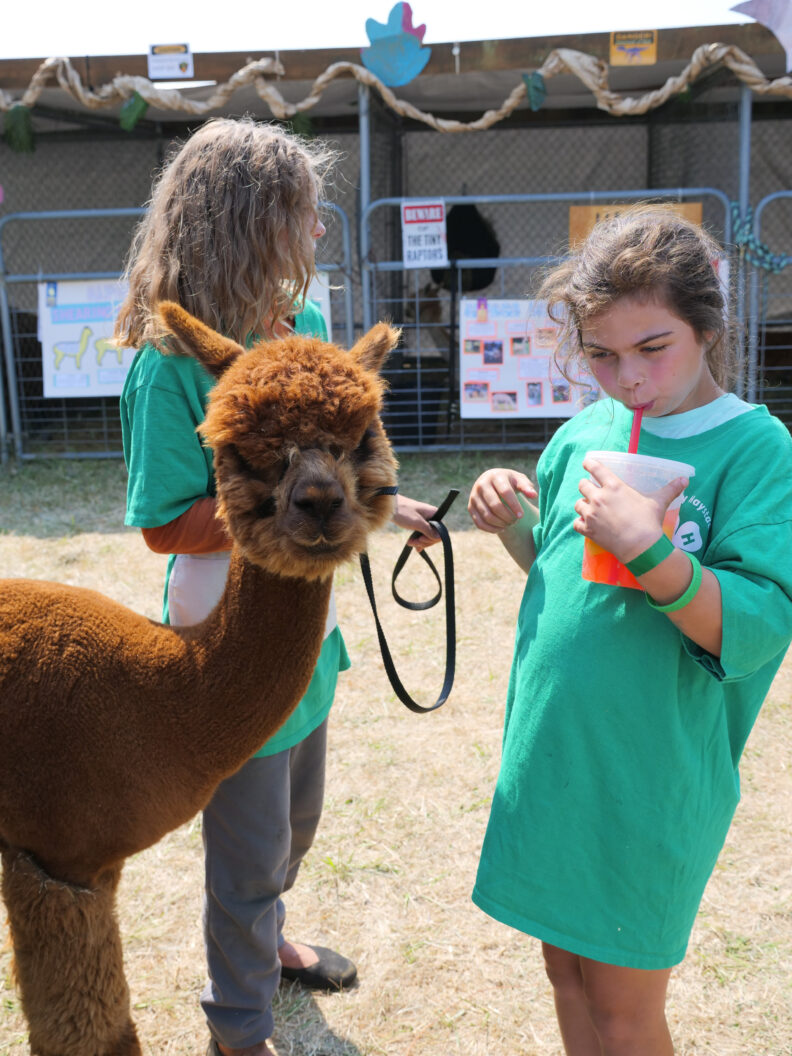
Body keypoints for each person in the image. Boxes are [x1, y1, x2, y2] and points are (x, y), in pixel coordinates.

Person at [115, 117, 440, 1056]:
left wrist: (380, 500)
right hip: (228, 634)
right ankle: (240, 1026)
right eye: (303, 214)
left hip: (304, 626)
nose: (318, 232)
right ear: (253, 224)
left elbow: (340, 462)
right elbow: (163, 522)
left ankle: (272, 944)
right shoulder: (169, 368)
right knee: (249, 853)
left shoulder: (308, 330)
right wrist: (294, 508)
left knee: (296, 822)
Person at [467, 207, 792, 1056]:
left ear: (708, 326)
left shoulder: (758, 449)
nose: (628, 378)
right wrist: (512, 522)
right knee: (565, 973)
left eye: (654, 348)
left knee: (623, 1000)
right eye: (602, 355)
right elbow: (565, 578)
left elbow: (754, 622)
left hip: (649, 773)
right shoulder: (585, 432)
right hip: (558, 757)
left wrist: (649, 546)